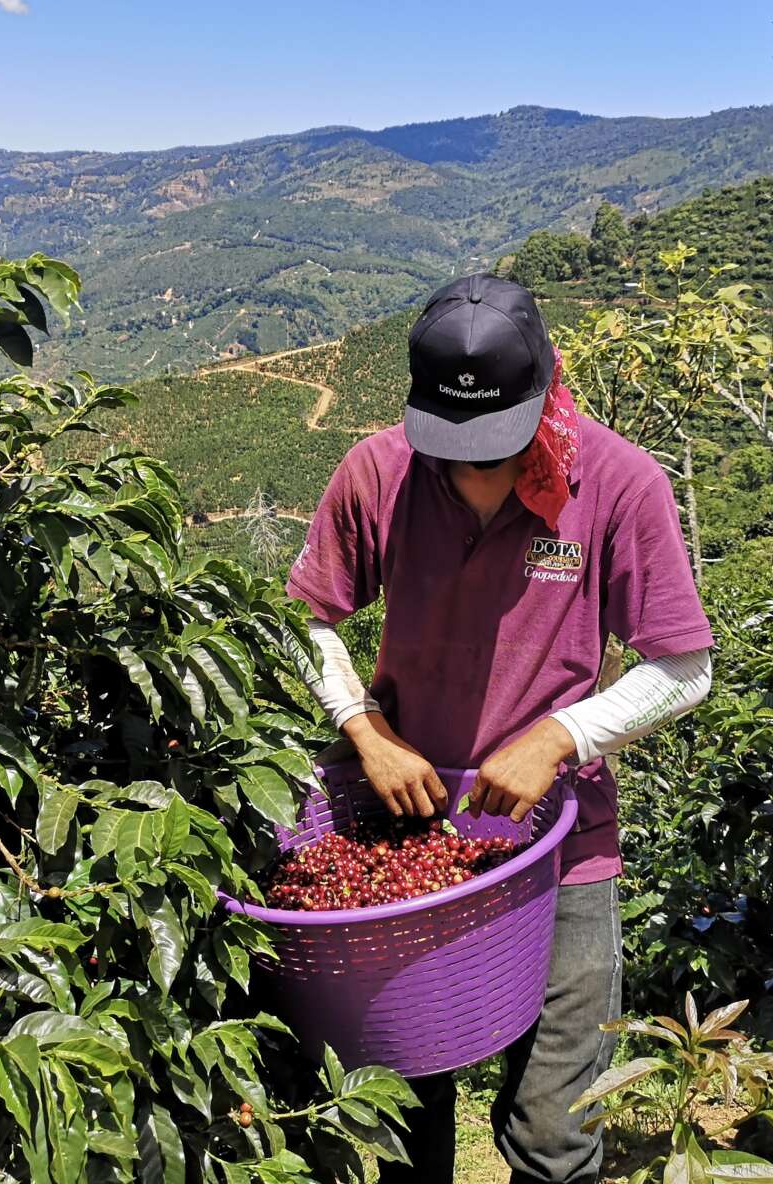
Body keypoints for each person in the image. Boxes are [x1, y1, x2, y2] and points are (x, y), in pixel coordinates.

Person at [288, 274, 715, 1184]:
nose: (477, 471)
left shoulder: (620, 483)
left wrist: (560, 736)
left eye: (498, 448)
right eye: (457, 449)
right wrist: (363, 726)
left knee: (555, 1138)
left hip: (561, 849)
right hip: (398, 826)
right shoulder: (378, 472)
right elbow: (303, 622)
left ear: (546, 388)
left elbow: (684, 670)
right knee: (401, 1117)